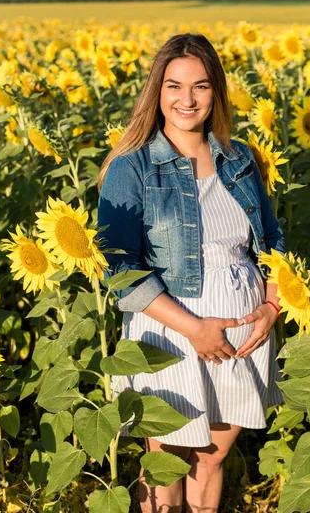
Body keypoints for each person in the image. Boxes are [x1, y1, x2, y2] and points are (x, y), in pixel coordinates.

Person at [97, 33, 286, 513]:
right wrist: (195, 329)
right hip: (169, 330)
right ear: (156, 91)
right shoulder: (132, 167)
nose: (187, 99)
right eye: (174, 86)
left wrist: (271, 306)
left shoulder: (239, 158)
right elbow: (121, 268)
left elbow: (273, 243)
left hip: (243, 331)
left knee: (212, 458)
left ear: (216, 92)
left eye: (200, 86)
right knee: (164, 464)